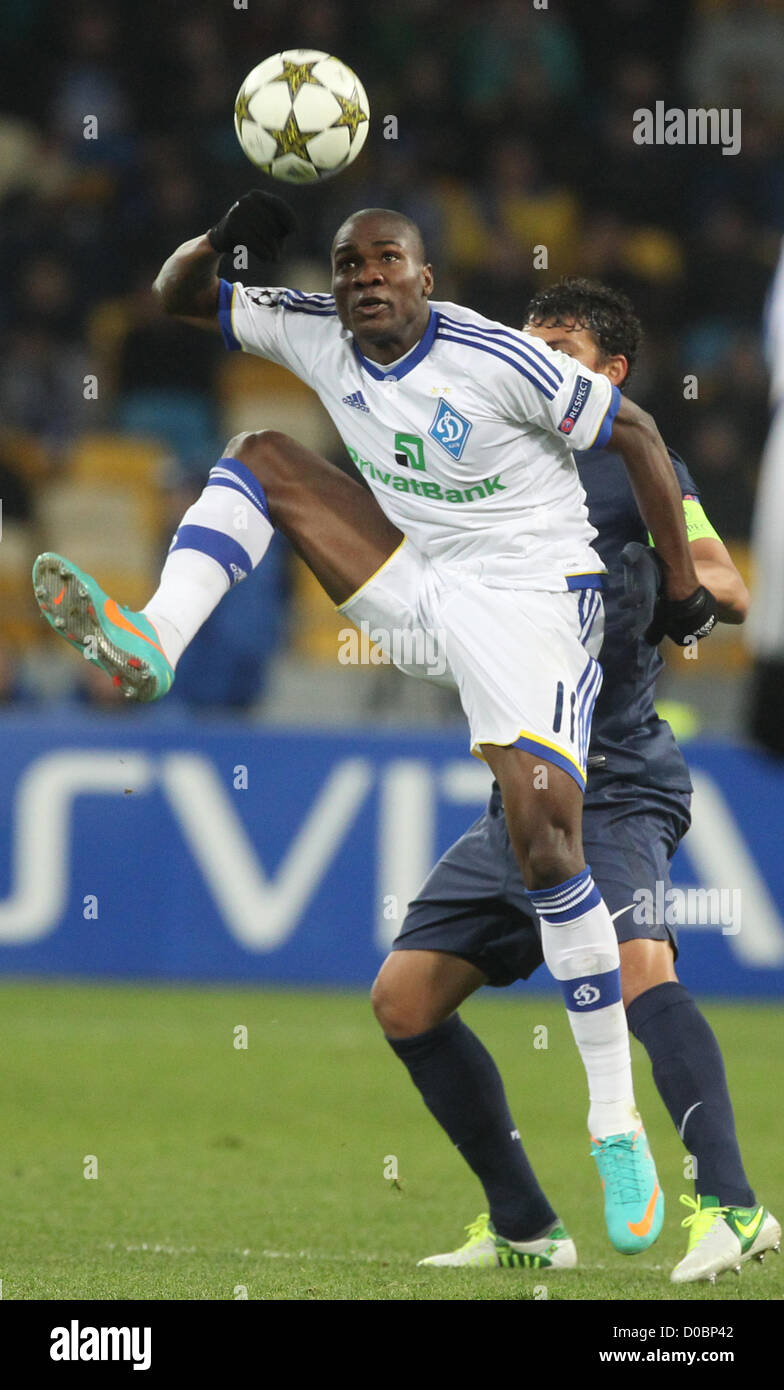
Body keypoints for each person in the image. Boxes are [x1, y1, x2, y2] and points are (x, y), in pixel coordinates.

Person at [32, 192, 717, 1256]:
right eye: (350, 263)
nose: (364, 277)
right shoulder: (310, 325)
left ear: (424, 276)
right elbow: (172, 300)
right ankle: (156, 638)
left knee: (545, 840)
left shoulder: (497, 357)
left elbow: (633, 425)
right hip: (417, 585)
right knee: (262, 451)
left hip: (532, 602)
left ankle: (612, 1124)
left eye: (386, 260)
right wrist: (221, 240)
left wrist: (678, 587)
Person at [371, 277, 780, 1284]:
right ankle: (523, 1223)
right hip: (523, 790)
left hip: (617, 782)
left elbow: (725, 581)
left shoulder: (634, 465)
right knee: (406, 1001)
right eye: (530, 342)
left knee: (640, 968)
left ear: (610, 376)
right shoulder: (486, 454)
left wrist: (690, 591)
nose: (539, 360)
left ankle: (732, 1208)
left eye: (562, 347)